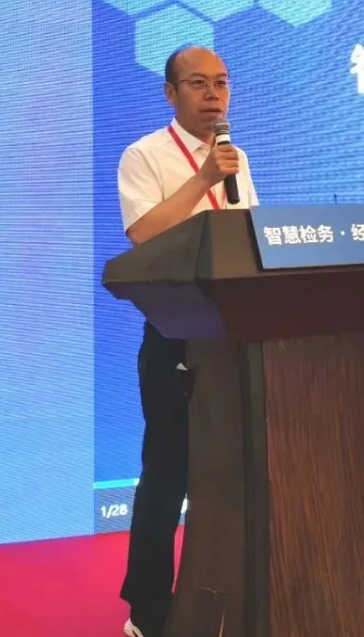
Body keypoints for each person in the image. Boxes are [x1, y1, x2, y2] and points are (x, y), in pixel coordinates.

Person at [115, 45, 259, 637]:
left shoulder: (235, 157)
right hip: (175, 332)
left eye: (221, 82)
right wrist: (203, 178)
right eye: (198, 83)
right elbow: (143, 234)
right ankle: (148, 610)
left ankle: (225, 592)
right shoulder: (144, 155)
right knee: (167, 473)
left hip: (236, 334)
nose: (213, 94)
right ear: (170, 93)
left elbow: (248, 235)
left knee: (233, 474)